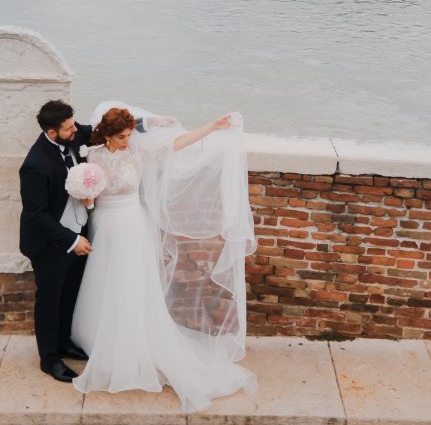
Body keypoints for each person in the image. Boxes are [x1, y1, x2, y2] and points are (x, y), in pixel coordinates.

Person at [70, 103, 258, 413]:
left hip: (132, 226)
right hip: (104, 226)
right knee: (105, 282)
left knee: (132, 283)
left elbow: (176, 144)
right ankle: (99, 337)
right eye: (122, 137)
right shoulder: (92, 156)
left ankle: (134, 341)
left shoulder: (138, 154)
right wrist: (87, 197)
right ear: (108, 136)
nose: (127, 141)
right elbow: (88, 194)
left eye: (130, 135)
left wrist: (212, 125)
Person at [19, 100, 159, 382]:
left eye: (74, 124)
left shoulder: (73, 135)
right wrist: (71, 241)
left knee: (70, 292)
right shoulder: (34, 165)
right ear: (51, 132)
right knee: (49, 299)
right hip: (51, 243)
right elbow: (37, 215)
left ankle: (64, 342)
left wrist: (146, 124)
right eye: (69, 127)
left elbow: (103, 129)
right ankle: (49, 359)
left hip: (80, 232)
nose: (77, 130)